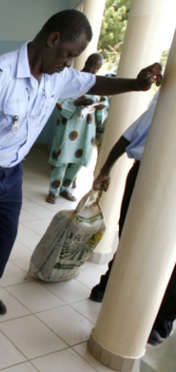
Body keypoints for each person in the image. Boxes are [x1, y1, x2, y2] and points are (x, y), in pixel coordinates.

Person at [0, 9, 162, 357]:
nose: (69, 63)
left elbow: (95, 84)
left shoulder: (55, 75)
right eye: (68, 54)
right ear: (53, 39)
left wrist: (135, 85)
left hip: (12, 175)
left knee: (2, 243)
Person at [89, 90, 174, 345]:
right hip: (147, 176)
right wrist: (105, 169)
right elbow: (130, 135)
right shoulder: (168, 102)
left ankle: (160, 319)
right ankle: (109, 285)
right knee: (131, 237)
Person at [46, 53, 110, 204]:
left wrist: (99, 107)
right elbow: (59, 99)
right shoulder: (72, 79)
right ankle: (53, 191)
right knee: (61, 160)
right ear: (87, 61)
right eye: (93, 65)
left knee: (77, 161)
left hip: (86, 130)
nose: (94, 70)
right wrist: (78, 104)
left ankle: (65, 189)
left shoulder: (97, 84)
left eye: (98, 67)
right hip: (68, 127)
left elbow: (104, 105)